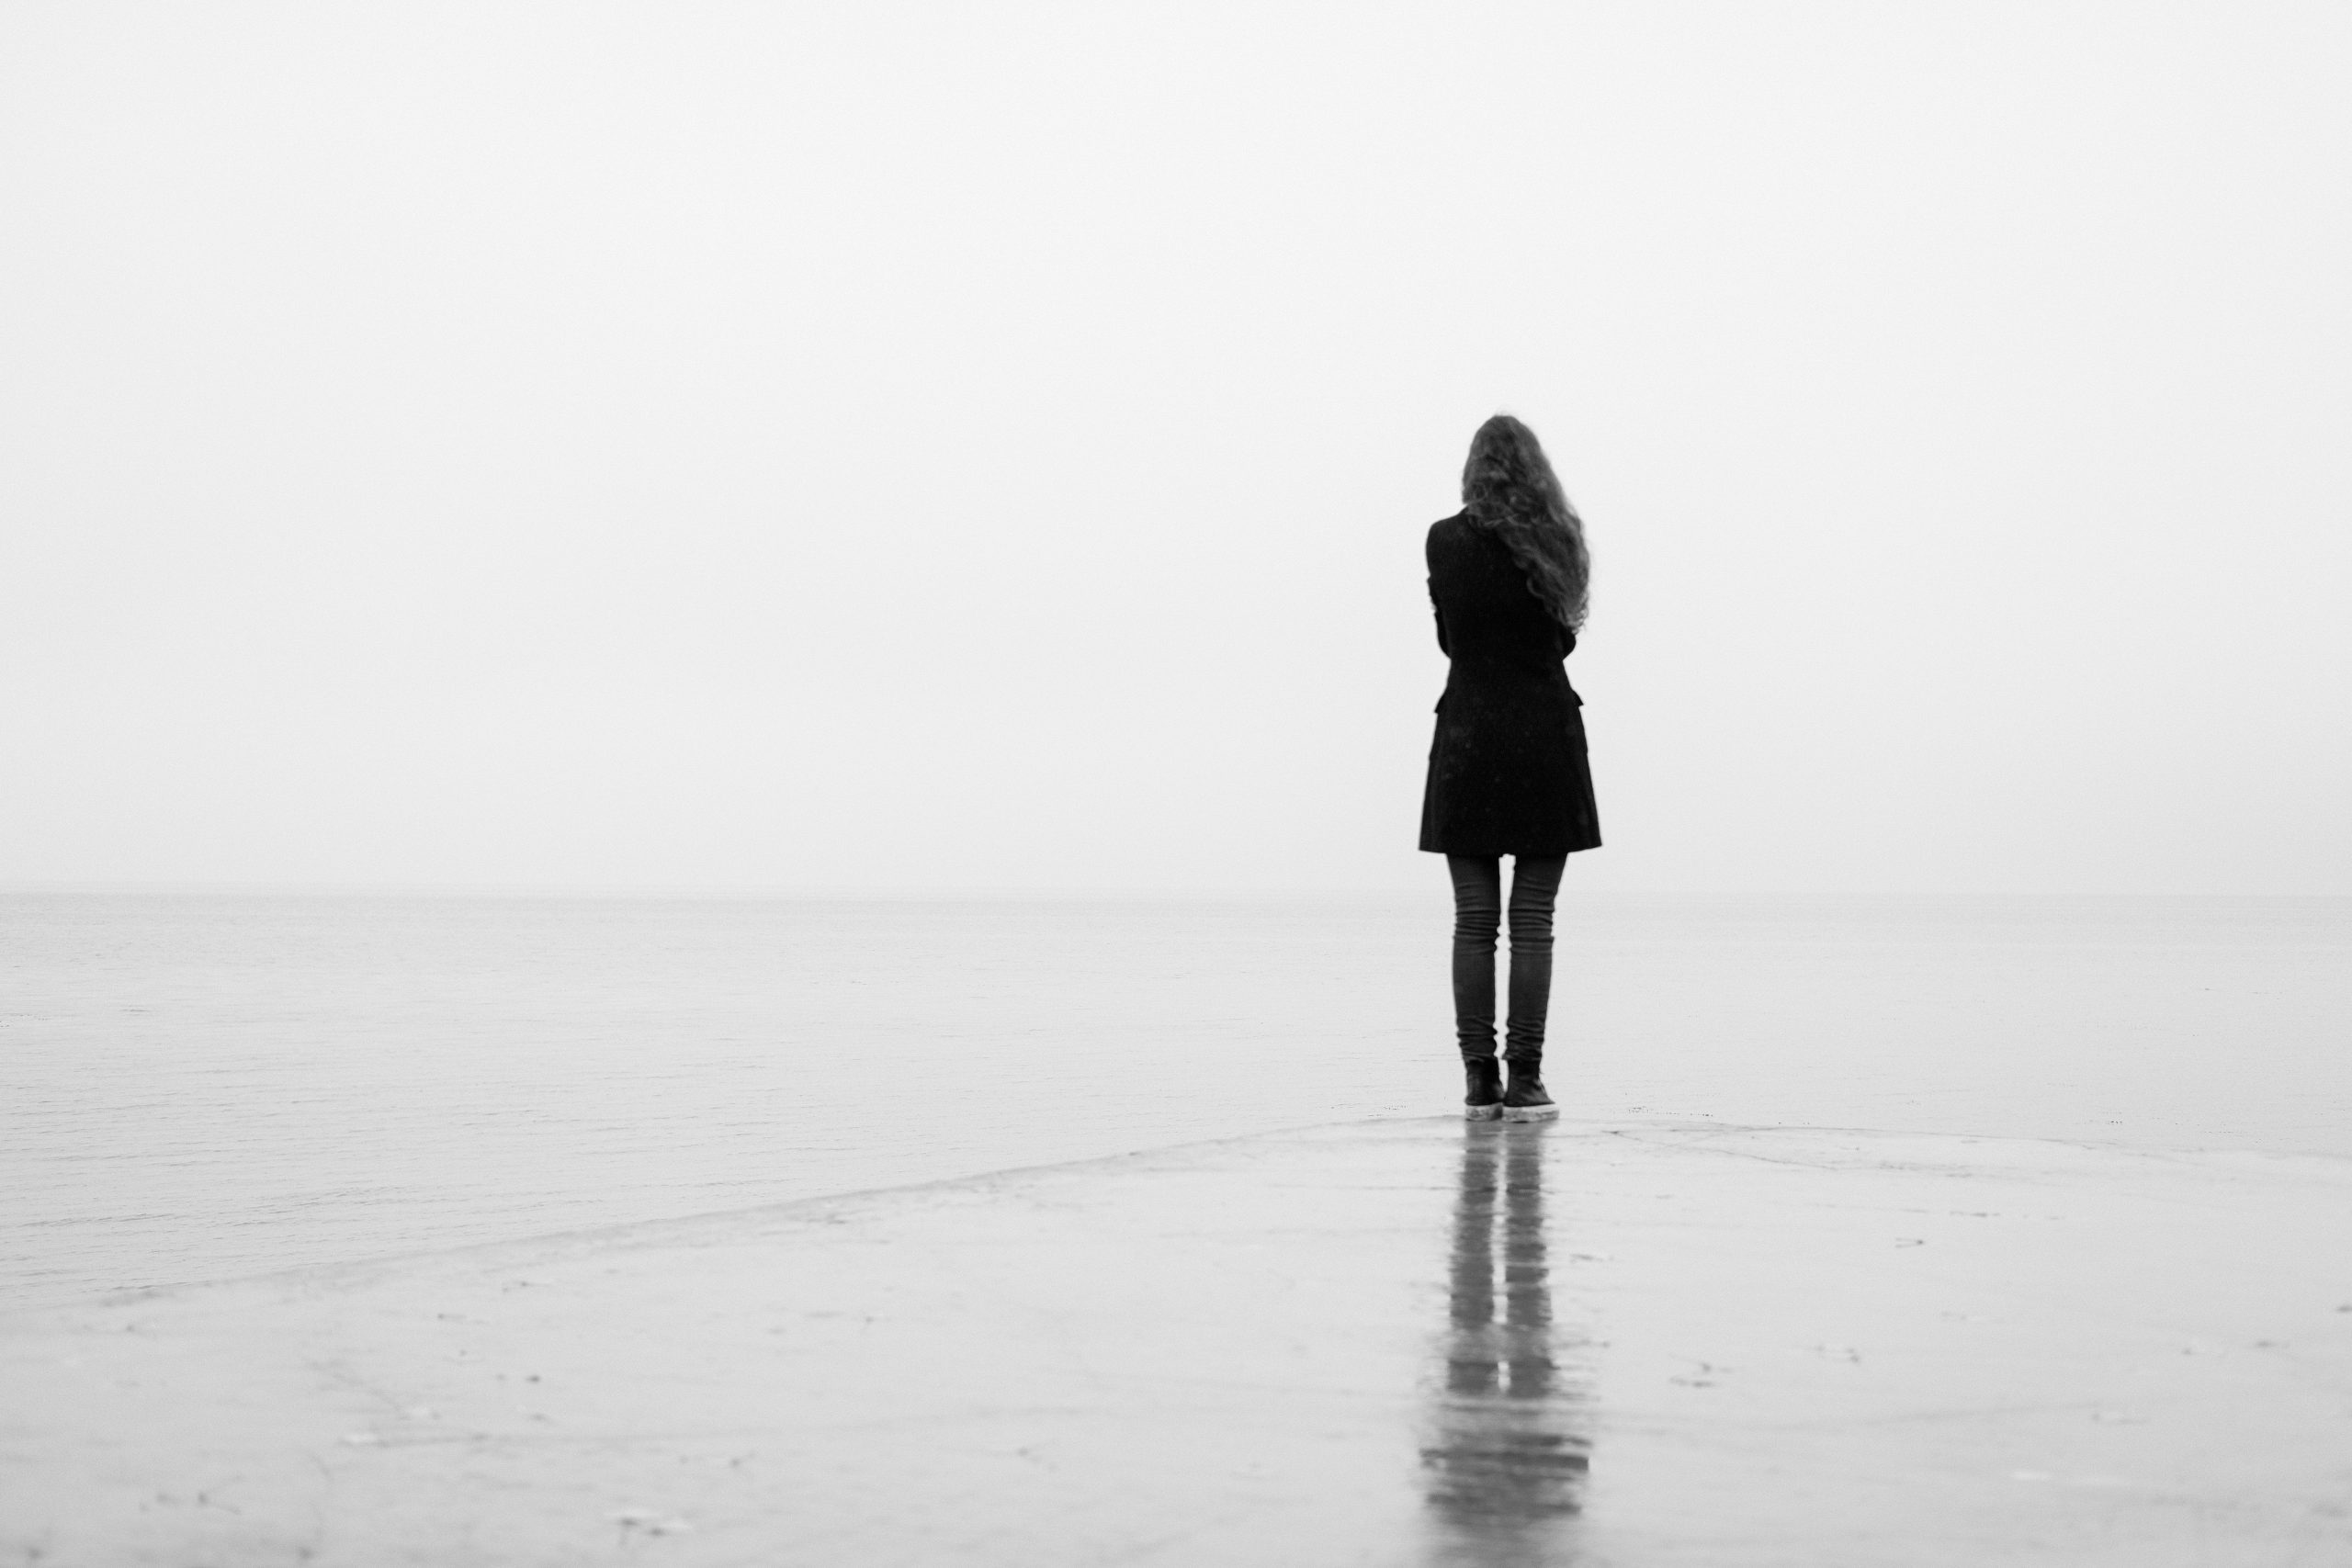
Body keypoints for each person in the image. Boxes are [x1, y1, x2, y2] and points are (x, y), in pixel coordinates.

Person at [1419, 414, 1600, 1122]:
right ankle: (1525, 1079)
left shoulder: (1443, 540)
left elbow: (1450, 640)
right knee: (1532, 920)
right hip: (1545, 737)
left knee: (1473, 920)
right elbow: (1560, 640)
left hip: (1468, 735)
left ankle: (1477, 1077)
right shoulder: (1557, 539)